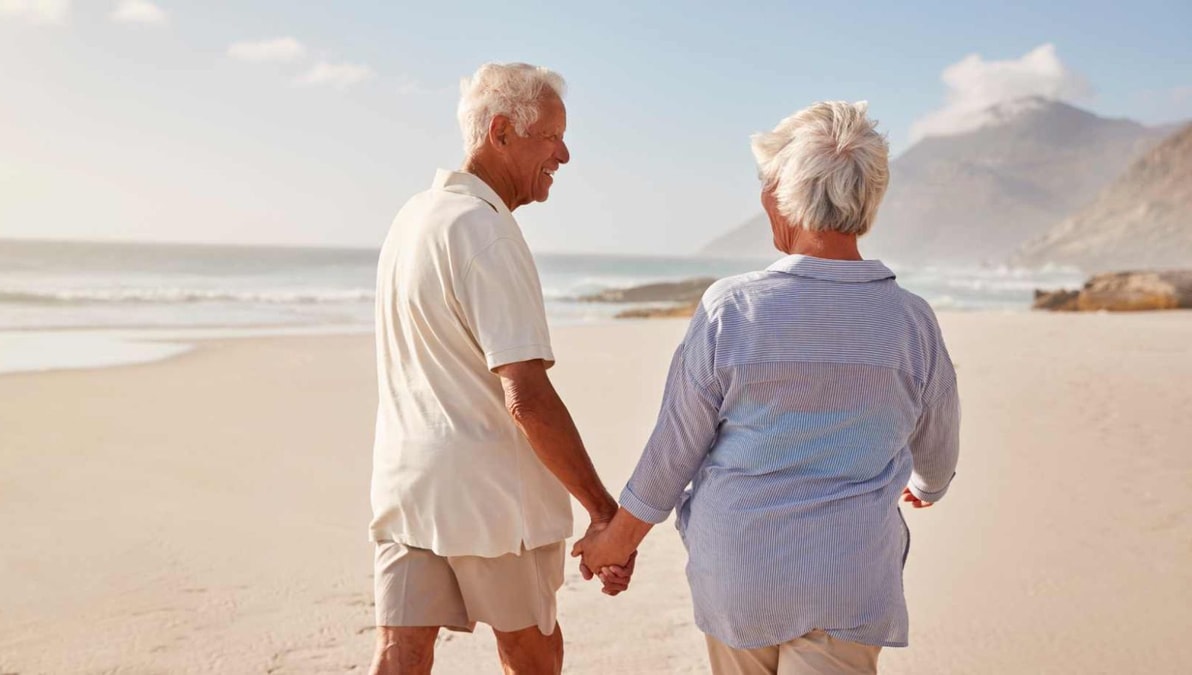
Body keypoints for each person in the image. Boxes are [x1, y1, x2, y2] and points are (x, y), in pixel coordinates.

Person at [574, 101, 961, 675]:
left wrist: (617, 542)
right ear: (869, 201)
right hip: (849, 579)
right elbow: (938, 443)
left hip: (741, 571)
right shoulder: (911, 321)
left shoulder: (732, 308)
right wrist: (928, 487)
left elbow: (673, 451)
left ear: (782, 196)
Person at [368, 62, 630, 675]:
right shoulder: (485, 233)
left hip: (408, 489)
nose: (564, 154)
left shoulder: (412, 219)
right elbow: (527, 397)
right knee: (533, 653)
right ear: (503, 132)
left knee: (399, 654)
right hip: (491, 505)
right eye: (552, 137)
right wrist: (601, 510)